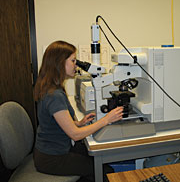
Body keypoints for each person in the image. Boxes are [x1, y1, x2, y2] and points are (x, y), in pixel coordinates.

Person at [33, 40, 124, 182]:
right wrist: (106, 120)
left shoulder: (52, 87)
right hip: (52, 158)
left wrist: (78, 123)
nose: (76, 65)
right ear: (59, 62)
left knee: (95, 157)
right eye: (73, 61)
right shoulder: (54, 95)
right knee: (104, 171)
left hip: (51, 150)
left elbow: (55, 121)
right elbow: (75, 135)